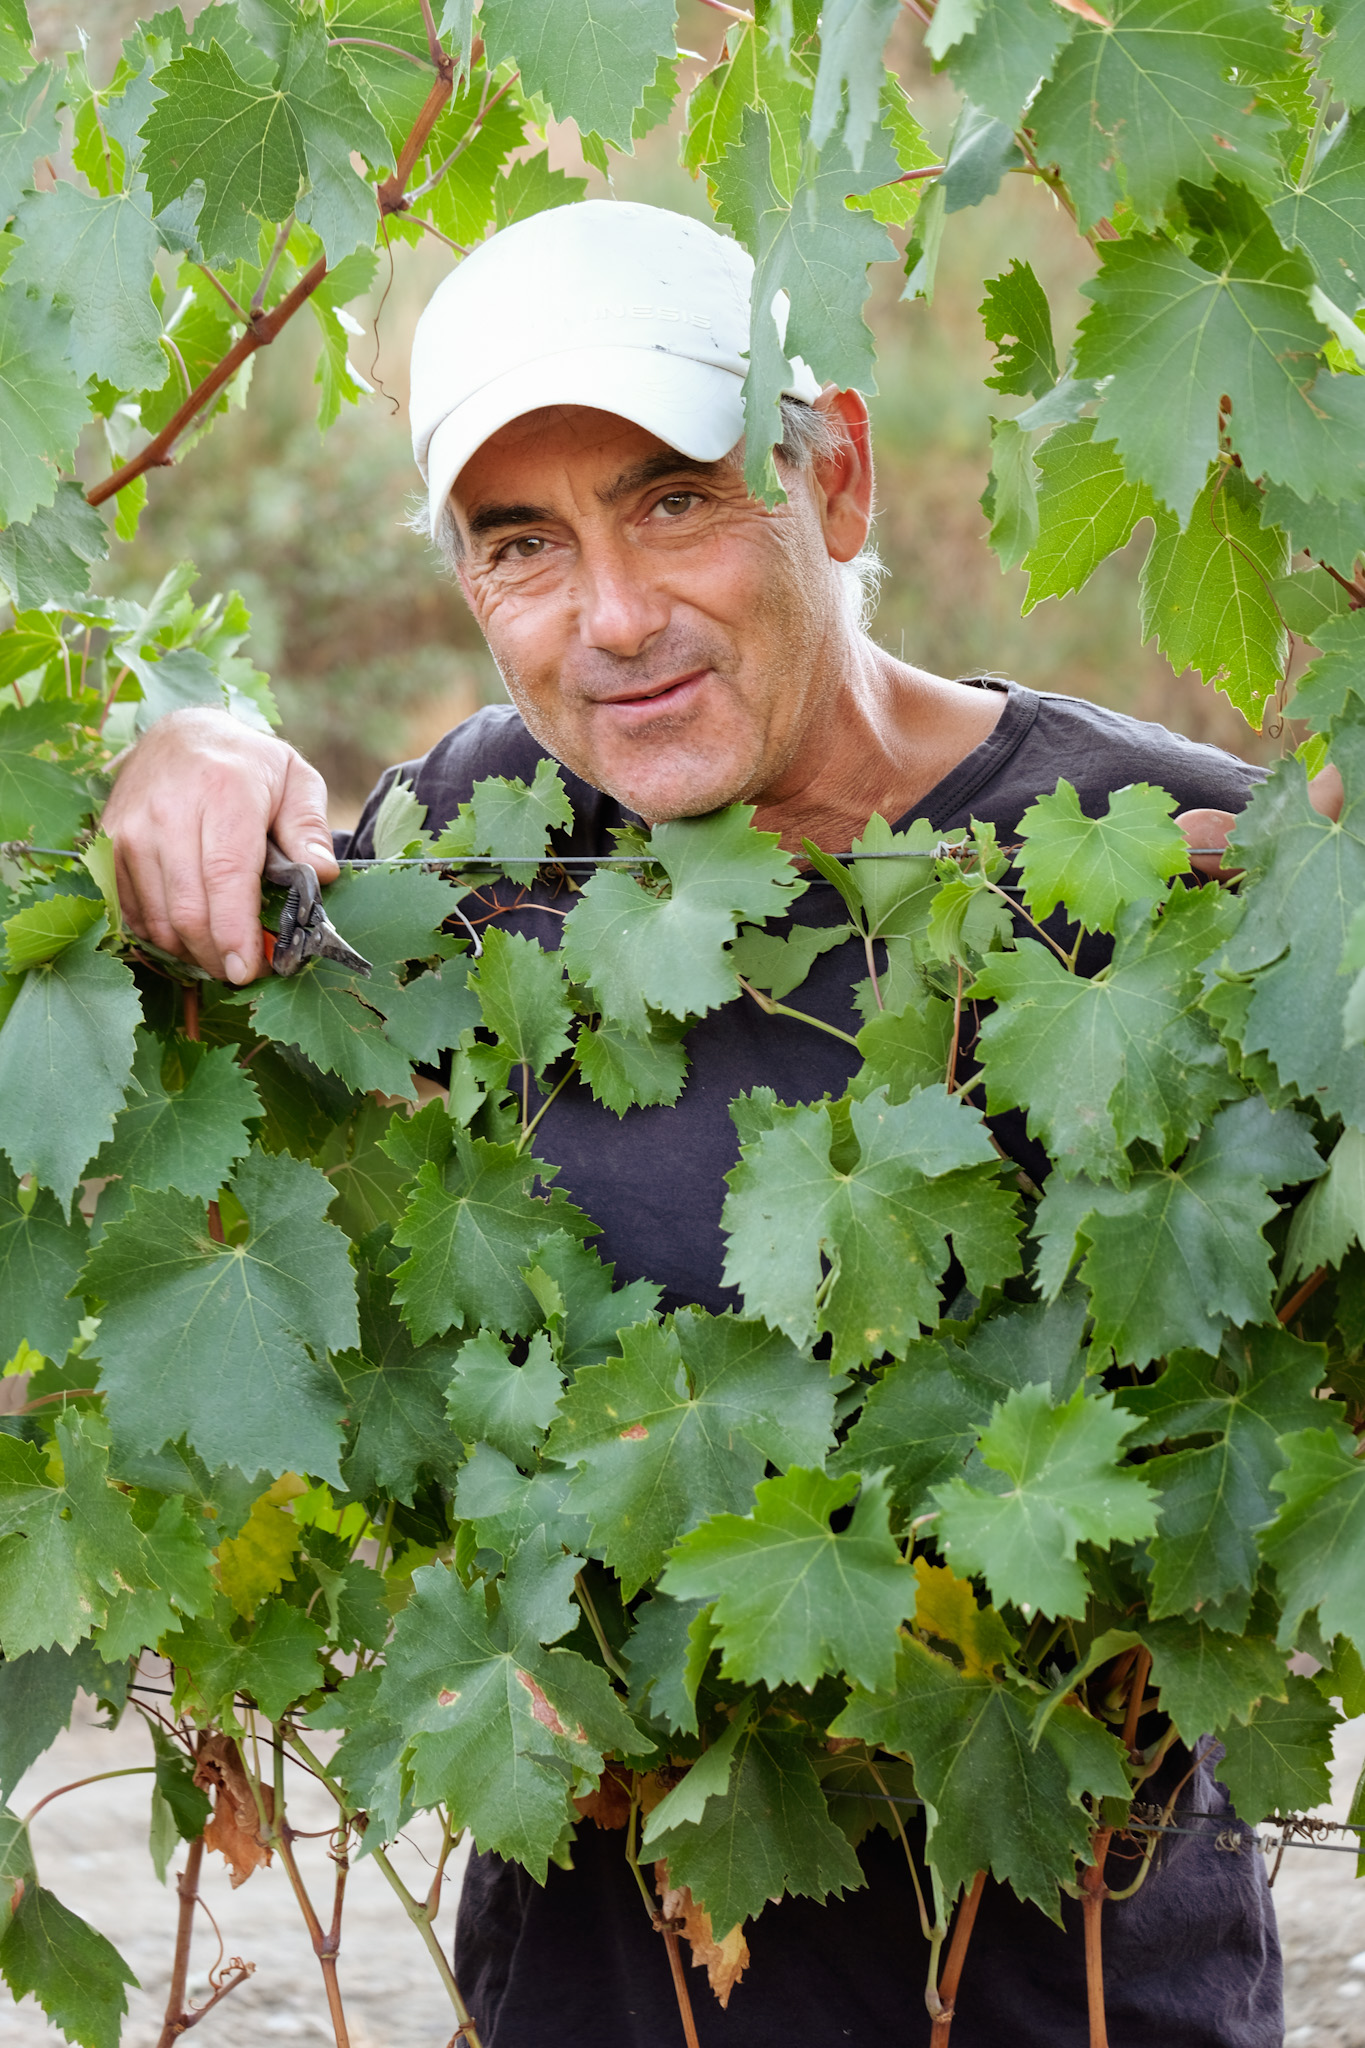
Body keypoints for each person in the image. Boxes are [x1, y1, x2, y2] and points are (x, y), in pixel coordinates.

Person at [103, 201, 1323, 2046]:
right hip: (596, 1997)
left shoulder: (1183, 869)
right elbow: (223, 958)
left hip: (1069, 1999)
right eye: (521, 545)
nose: (611, 617)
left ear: (835, 479)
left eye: (673, 501)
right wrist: (185, 747)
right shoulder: (469, 853)